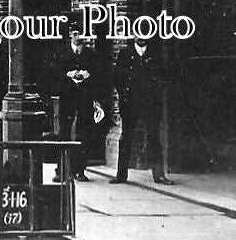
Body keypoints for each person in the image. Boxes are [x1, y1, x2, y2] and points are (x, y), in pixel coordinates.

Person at [111, 37, 174, 185]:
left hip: (150, 103)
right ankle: (121, 175)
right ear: (134, 35)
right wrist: (124, 95)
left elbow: (163, 77)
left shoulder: (155, 54)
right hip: (130, 103)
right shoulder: (125, 53)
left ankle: (159, 175)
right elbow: (117, 77)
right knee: (126, 138)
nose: (141, 37)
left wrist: (155, 93)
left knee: (154, 138)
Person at [56, 24, 101, 181]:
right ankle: (61, 170)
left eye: (81, 34)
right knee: (64, 132)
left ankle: (80, 170)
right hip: (67, 98)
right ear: (70, 35)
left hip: (84, 98)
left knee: (84, 133)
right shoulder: (62, 53)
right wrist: (68, 74)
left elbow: (99, 75)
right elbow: (54, 73)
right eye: (75, 34)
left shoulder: (91, 54)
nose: (78, 37)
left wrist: (87, 76)